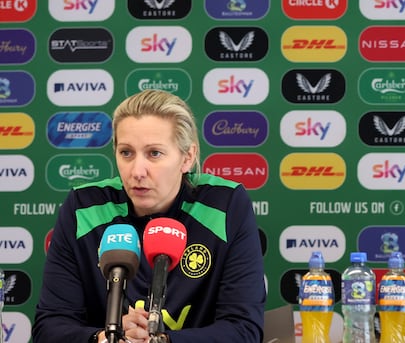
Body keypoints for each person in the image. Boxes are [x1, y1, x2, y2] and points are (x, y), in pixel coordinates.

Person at [33, 89, 266, 343]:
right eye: (126, 153)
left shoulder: (225, 204)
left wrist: (161, 341)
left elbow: (243, 329)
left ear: (187, 157)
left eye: (154, 153)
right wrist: (105, 337)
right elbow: (49, 327)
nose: (137, 171)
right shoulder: (83, 207)